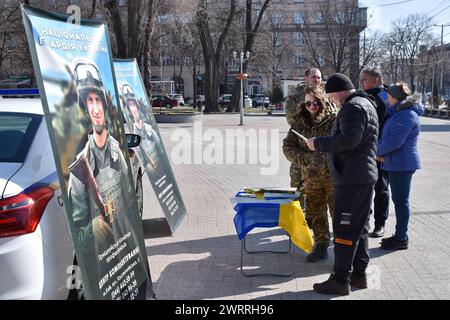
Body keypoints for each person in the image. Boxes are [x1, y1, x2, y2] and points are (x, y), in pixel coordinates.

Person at [67, 59, 140, 298]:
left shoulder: (117, 151)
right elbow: (78, 237)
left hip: (124, 258)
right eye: (89, 101)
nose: (96, 107)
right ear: (83, 107)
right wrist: (97, 228)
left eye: (98, 99)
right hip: (100, 269)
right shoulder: (79, 166)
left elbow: (130, 203)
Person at [305, 73, 379, 295]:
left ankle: (340, 279)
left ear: (340, 92)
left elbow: (349, 140)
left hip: (352, 178)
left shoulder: (353, 108)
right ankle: (358, 275)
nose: (332, 101)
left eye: (332, 97)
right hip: (360, 176)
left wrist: (318, 143)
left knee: (345, 229)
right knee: (360, 227)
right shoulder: (365, 103)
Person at [283, 86, 336, 262]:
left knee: (338, 212)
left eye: (315, 103)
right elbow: (288, 147)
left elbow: (342, 144)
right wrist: (303, 158)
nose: (311, 107)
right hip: (311, 177)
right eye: (307, 103)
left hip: (333, 176)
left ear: (322, 102)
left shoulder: (333, 120)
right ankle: (321, 245)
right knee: (316, 212)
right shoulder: (299, 123)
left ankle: (344, 247)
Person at [377, 82, 423, 250]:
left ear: (396, 98)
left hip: (402, 164)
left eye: (389, 97)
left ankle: (401, 238)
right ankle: (399, 235)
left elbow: (395, 141)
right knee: (399, 200)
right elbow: (387, 137)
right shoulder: (397, 112)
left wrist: (376, 151)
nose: (387, 99)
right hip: (395, 162)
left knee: (401, 201)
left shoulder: (406, 115)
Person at [284, 67, 323, 225]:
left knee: (318, 189)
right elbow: (291, 119)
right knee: (298, 187)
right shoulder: (295, 97)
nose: (317, 80)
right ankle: (297, 222)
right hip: (301, 147)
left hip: (319, 150)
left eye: (319, 77)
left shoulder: (323, 95)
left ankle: (312, 220)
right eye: (314, 77)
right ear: (306, 78)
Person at [360, 67, 390, 238]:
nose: (361, 82)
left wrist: (381, 148)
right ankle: (364, 221)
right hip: (365, 150)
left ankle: (380, 224)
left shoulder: (385, 97)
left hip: (380, 151)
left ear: (376, 81)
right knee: (364, 188)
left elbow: (387, 125)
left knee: (381, 188)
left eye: (365, 79)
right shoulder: (363, 96)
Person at [121, 82, 160, 170]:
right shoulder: (133, 132)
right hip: (150, 168)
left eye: (134, 104)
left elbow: (159, 145)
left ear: (138, 107)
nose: (133, 109)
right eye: (130, 106)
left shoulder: (148, 128)